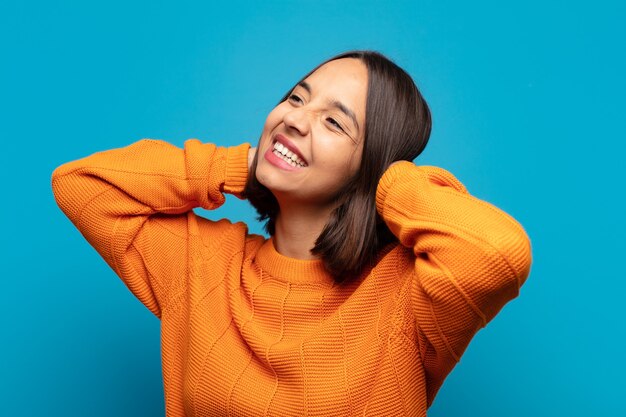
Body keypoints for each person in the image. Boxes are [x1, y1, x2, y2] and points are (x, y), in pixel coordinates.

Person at [51, 50, 532, 416]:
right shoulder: (201, 264)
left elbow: (497, 252)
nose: (294, 119)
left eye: (333, 122)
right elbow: (81, 185)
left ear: (369, 163)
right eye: (295, 98)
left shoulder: (406, 297)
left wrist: (388, 180)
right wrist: (244, 165)